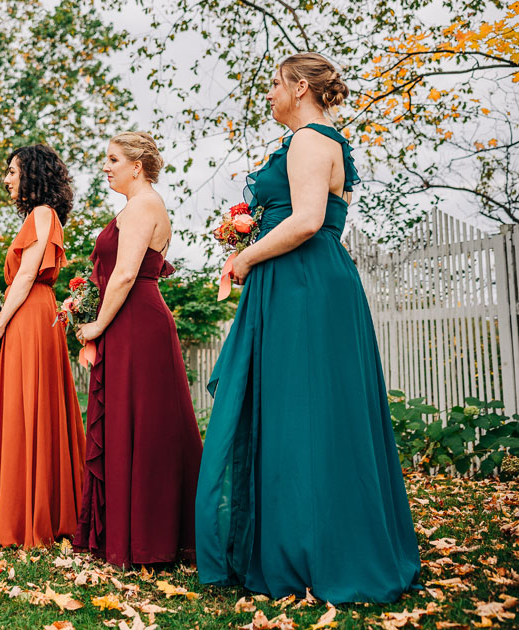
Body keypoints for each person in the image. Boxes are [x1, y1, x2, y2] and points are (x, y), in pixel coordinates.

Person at [195, 53, 420, 603]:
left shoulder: (311, 141)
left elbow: (307, 219)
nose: (269, 94)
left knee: (309, 412)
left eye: (274, 83)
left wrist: (245, 258)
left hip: (305, 286)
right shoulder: (313, 143)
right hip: (295, 284)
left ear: (299, 87)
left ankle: (319, 552)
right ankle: (293, 543)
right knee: (293, 411)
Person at [73, 132, 203, 567]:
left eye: (112, 159)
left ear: (137, 165)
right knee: (134, 424)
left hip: (138, 322)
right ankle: (129, 533)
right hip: (128, 320)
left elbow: (126, 275)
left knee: (147, 428)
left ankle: (150, 537)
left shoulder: (145, 204)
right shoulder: (135, 206)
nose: (105, 167)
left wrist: (94, 325)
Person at [0, 144, 86, 548]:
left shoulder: (43, 214)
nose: (7, 179)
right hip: (33, 313)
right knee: (27, 406)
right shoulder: (42, 217)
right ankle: (28, 504)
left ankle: (29, 513)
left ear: (33, 175)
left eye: (13, 171)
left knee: (28, 407)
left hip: (31, 314)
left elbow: (25, 276)